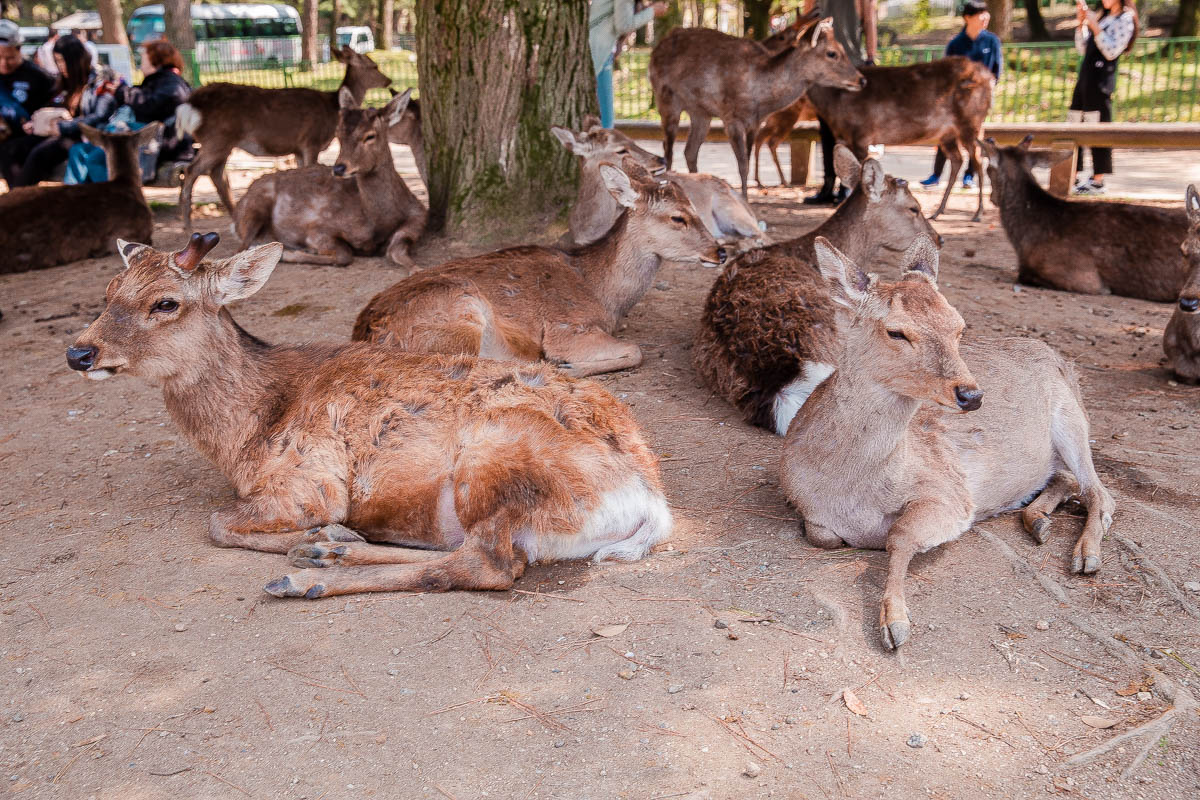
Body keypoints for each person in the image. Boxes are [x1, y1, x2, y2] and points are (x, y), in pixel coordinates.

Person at [64, 40, 192, 184]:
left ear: (156, 60)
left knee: (96, 158)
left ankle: (116, 197)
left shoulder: (172, 82)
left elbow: (150, 104)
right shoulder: (156, 81)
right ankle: (72, 198)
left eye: (143, 59)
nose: (140, 65)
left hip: (159, 142)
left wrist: (123, 92)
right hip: (139, 139)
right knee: (79, 151)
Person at [4, 34, 117, 187]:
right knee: (10, 149)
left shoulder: (100, 80)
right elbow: (52, 106)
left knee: (40, 154)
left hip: (81, 136)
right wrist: (36, 123)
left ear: (76, 58)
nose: (61, 66)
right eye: (57, 61)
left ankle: (19, 200)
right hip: (55, 134)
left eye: (64, 60)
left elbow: (99, 116)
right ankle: (20, 198)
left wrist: (63, 127)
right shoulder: (62, 82)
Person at [919, 1, 1001, 190]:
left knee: (974, 137)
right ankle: (936, 175)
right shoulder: (956, 43)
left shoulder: (992, 41)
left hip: (979, 101)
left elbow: (996, 72)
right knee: (947, 133)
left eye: (986, 14)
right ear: (968, 17)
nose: (986, 18)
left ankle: (969, 176)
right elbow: (947, 73)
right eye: (981, 14)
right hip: (957, 100)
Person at [803, 0, 878, 206]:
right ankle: (829, 186)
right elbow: (808, 20)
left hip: (849, 67)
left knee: (847, 132)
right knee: (828, 130)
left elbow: (869, 20)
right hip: (825, 70)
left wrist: (871, 58)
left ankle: (846, 186)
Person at [1069, 0, 1137, 195]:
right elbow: (1083, 49)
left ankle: (1098, 179)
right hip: (1085, 79)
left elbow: (1112, 51)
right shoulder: (1103, 16)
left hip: (1101, 83)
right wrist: (1082, 23)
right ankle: (1073, 173)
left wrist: (1096, 27)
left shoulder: (1126, 19)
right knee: (1074, 124)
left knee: (1098, 129)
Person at [590, 0, 667, 129]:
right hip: (600, 52)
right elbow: (624, 25)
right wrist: (652, 12)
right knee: (606, 121)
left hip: (597, 50)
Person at [0, 20, 58, 188]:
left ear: (19, 49)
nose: (4, 63)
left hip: (28, 140)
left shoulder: (39, 77)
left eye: (9, 58)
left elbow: (52, 110)